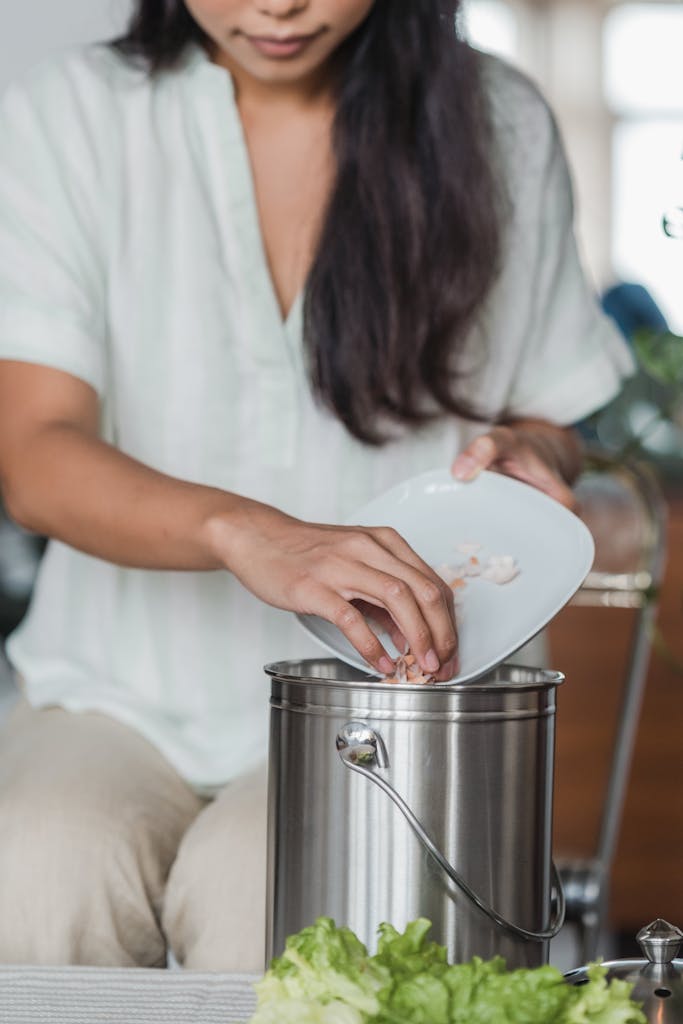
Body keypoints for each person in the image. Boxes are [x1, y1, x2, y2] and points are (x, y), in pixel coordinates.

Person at [0, 0, 633, 970]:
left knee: (283, 893)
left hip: (392, 703)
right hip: (113, 685)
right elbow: (33, 453)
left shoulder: (496, 121)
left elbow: (548, 416)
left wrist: (534, 456)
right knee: (40, 864)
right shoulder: (71, 111)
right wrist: (248, 531)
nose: (277, 5)